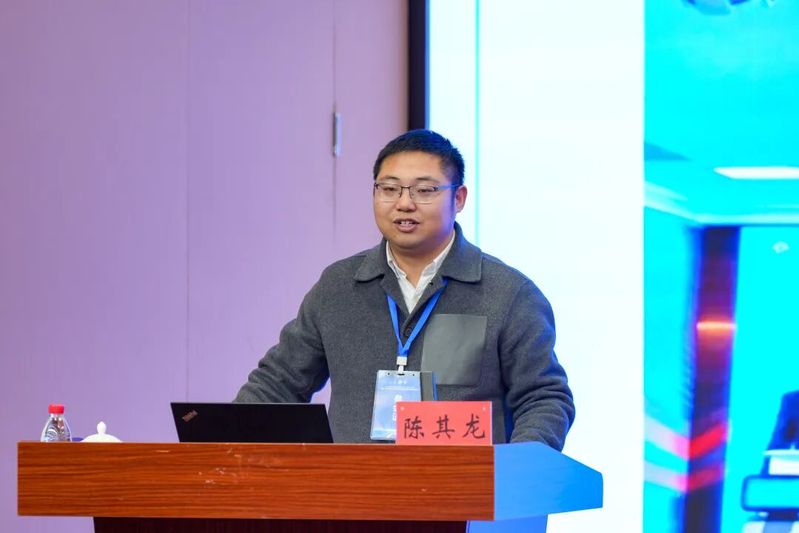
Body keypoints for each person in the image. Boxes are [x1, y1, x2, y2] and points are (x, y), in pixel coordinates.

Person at [235, 129, 574, 449]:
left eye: (424, 191)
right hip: (354, 488)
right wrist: (219, 443)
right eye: (389, 188)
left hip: (462, 489)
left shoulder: (508, 293)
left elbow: (544, 398)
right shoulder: (338, 287)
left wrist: (515, 472)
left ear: (458, 198)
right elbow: (278, 383)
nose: (404, 203)